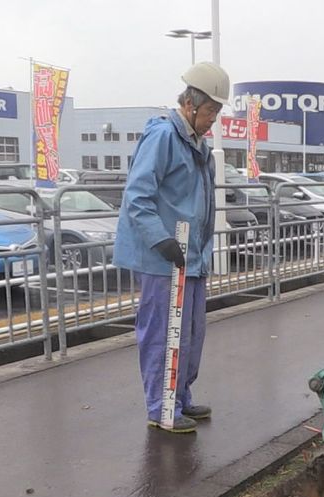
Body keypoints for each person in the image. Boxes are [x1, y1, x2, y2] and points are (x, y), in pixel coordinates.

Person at [114, 62, 230, 433]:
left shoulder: (199, 145)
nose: (213, 119)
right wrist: (160, 239)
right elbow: (137, 196)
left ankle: (180, 398)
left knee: (191, 333)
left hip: (192, 256)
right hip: (162, 257)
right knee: (163, 334)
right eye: (211, 111)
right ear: (191, 104)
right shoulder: (164, 137)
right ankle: (160, 407)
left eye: (217, 112)